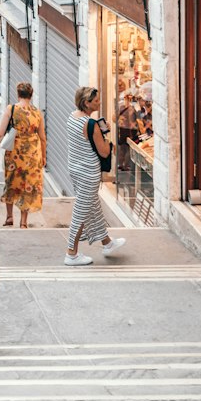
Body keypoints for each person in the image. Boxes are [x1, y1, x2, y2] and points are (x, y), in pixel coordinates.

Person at [65, 85, 126, 266]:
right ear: (87, 103)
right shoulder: (91, 124)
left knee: (92, 207)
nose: (99, 102)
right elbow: (105, 151)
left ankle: (107, 242)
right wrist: (106, 135)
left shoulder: (72, 117)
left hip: (75, 169)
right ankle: (71, 253)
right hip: (88, 172)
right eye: (96, 100)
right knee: (81, 211)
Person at [0, 81, 47, 227]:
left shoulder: (12, 109)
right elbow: (43, 138)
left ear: (18, 94)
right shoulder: (37, 112)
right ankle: (24, 221)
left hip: (15, 153)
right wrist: (44, 156)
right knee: (27, 184)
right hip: (33, 154)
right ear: (31, 94)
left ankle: (9, 217)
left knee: (12, 182)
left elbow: (0, 133)